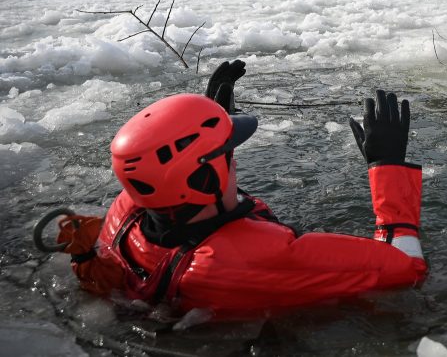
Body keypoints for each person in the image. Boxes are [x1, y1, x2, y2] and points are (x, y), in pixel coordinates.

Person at [94, 60, 426, 317]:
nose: (234, 161)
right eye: (227, 154)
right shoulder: (262, 257)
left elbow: (180, 173)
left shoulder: (128, 210)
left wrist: (213, 117)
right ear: (203, 179)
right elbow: (405, 267)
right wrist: (387, 168)